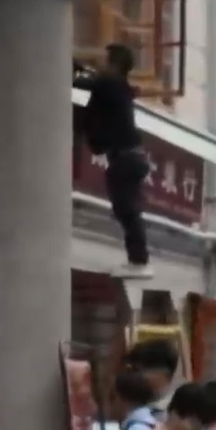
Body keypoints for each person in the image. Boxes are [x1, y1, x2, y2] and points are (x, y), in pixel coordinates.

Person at [79, 41, 152, 268]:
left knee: (126, 209)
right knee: (127, 210)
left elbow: (84, 83)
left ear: (115, 65)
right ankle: (138, 259)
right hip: (131, 158)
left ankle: (138, 260)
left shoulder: (110, 84)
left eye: (104, 60)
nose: (99, 64)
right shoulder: (118, 88)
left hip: (125, 159)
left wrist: (71, 67)